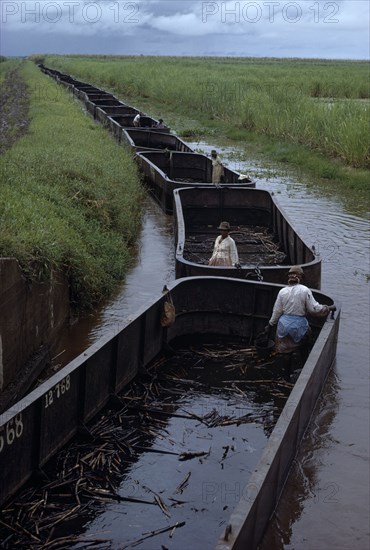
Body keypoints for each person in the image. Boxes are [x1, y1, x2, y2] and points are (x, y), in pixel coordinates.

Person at [265, 265, 336, 354]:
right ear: (300, 277)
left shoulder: (282, 292)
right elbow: (314, 309)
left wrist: (270, 324)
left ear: (289, 277)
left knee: (285, 350)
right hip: (299, 326)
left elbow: (277, 311)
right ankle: (304, 361)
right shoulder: (304, 290)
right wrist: (328, 308)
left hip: (283, 326)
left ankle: (286, 365)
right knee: (305, 343)